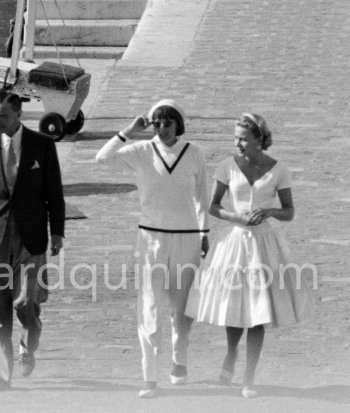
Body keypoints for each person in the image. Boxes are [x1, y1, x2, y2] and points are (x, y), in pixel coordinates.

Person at [185, 113, 315, 398]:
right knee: (235, 305)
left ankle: (249, 376)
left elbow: (289, 212)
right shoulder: (226, 167)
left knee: (259, 310)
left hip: (264, 246)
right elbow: (214, 206)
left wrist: (268, 211)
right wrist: (236, 216)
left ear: (259, 139)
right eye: (236, 138)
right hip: (234, 243)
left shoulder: (278, 170)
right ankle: (231, 353)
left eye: (243, 138)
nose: (238, 143)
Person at [96, 99, 210, 398]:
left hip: (186, 238)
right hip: (151, 239)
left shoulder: (194, 153)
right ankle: (149, 377)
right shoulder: (141, 151)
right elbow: (102, 158)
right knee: (148, 305)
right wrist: (128, 131)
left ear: (178, 125)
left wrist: (204, 233)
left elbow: (202, 198)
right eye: (156, 123)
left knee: (182, 307)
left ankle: (179, 360)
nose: (161, 128)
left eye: (167, 123)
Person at [0, 88, 65, 392]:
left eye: (3, 116)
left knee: (26, 303)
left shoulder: (42, 146)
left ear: (19, 115)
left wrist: (57, 232)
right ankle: (1, 373)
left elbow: (54, 193)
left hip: (30, 237)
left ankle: (28, 340)